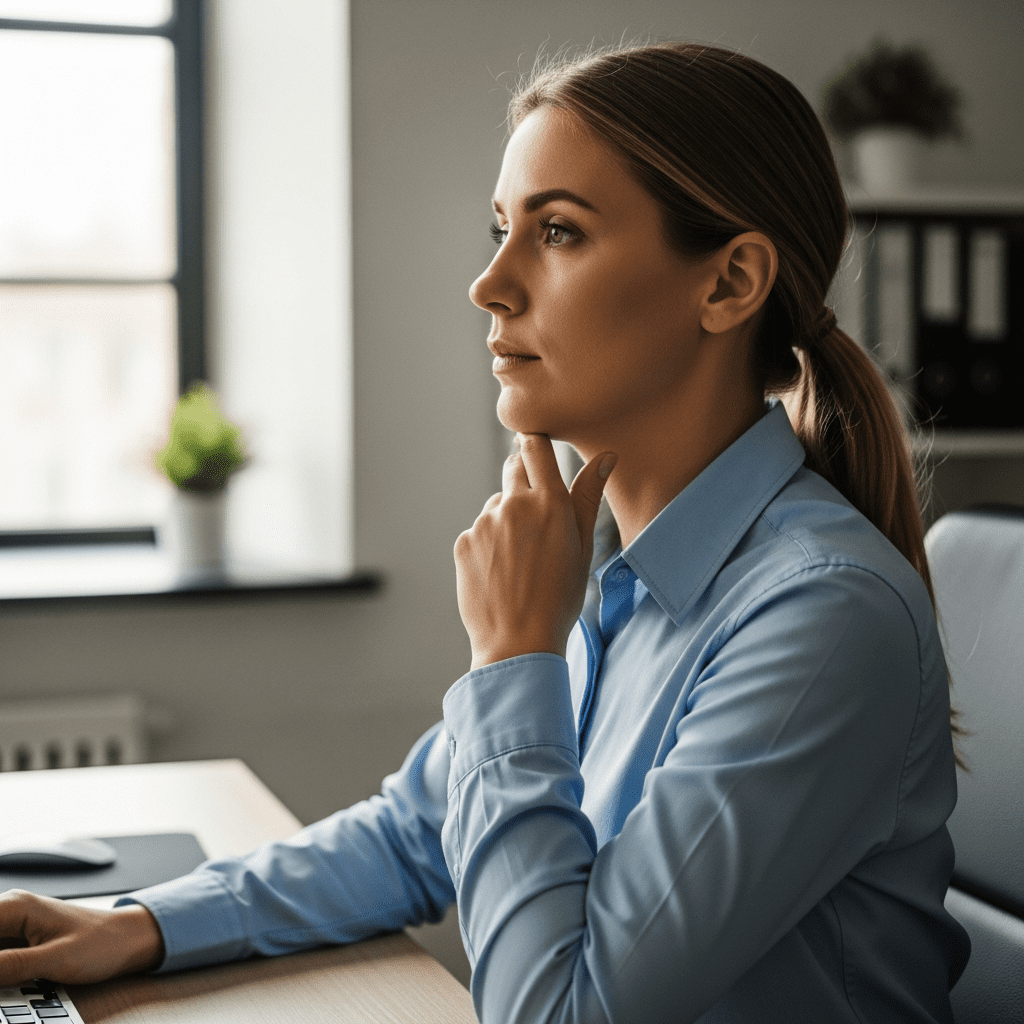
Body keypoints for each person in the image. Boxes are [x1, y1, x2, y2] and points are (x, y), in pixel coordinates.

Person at [0, 41, 970, 1023]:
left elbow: (555, 1010)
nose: (489, 284)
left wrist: (513, 656)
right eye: (502, 229)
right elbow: (414, 834)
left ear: (728, 284)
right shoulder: (614, 568)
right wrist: (139, 925)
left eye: (558, 232)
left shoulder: (821, 615)